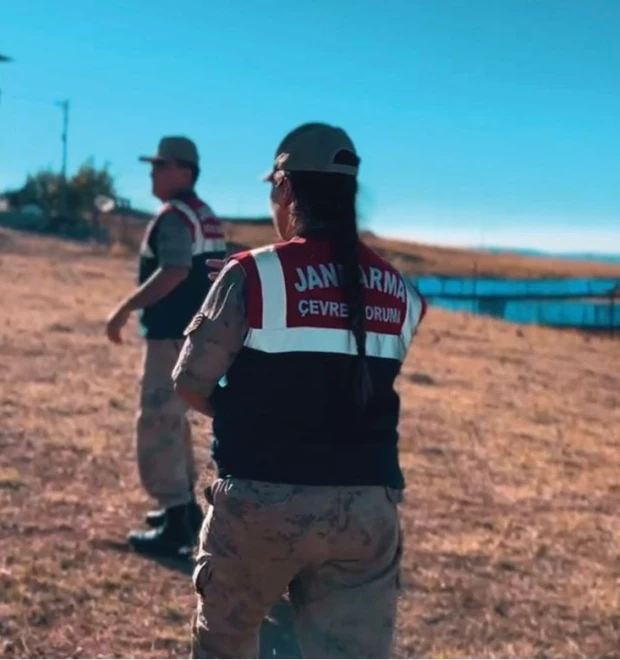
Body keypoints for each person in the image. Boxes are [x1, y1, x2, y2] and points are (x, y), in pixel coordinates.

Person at [171, 122, 428, 658]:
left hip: (261, 501)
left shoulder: (252, 274)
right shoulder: (403, 292)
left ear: (286, 189)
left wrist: (239, 412)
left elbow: (189, 383)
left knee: (227, 646)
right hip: (367, 510)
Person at [105, 135, 226, 558]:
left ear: (183, 170)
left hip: (172, 334)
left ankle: (176, 519)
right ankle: (185, 511)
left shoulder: (175, 216)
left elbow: (173, 271)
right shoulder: (204, 215)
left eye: (160, 165)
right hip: (197, 334)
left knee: (157, 420)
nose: (153, 174)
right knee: (174, 422)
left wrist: (125, 307)